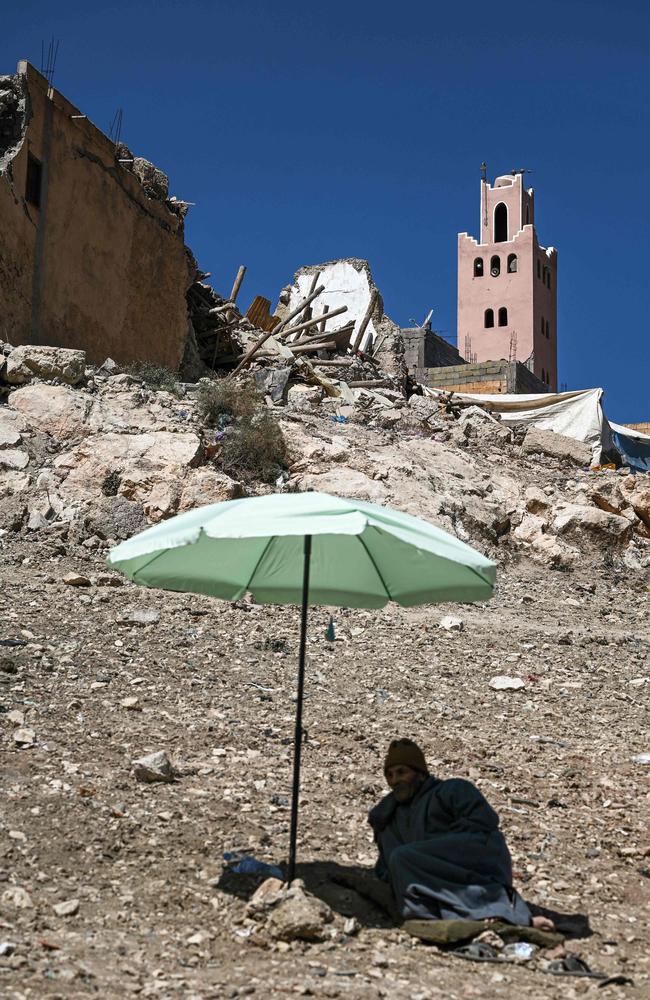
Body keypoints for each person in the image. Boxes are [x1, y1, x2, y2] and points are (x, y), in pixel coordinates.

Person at [369, 738, 553, 928]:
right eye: (389, 775)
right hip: (424, 873)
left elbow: (484, 827)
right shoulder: (390, 815)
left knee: (402, 857)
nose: (395, 780)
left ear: (420, 774)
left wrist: (435, 848)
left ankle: (492, 910)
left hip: (470, 866)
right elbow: (386, 864)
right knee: (400, 860)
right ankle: (444, 918)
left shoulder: (452, 790)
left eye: (401, 772)